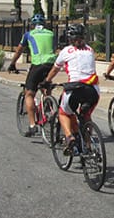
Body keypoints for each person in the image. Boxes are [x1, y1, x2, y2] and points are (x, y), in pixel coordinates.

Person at [42, 23, 99, 155]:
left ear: (70, 38)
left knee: (63, 113)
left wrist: (47, 81)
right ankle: (88, 146)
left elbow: (55, 69)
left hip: (75, 88)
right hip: (93, 90)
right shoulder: (90, 50)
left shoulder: (66, 51)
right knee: (86, 116)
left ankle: (69, 137)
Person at [7, 14, 57, 136]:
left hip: (37, 64)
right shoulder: (51, 34)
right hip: (51, 65)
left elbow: (19, 50)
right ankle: (49, 109)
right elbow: (53, 48)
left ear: (32, 25)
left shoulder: (28, 34)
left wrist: (12, 64)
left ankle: (32, 125)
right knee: (45, 88)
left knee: (29, 93)